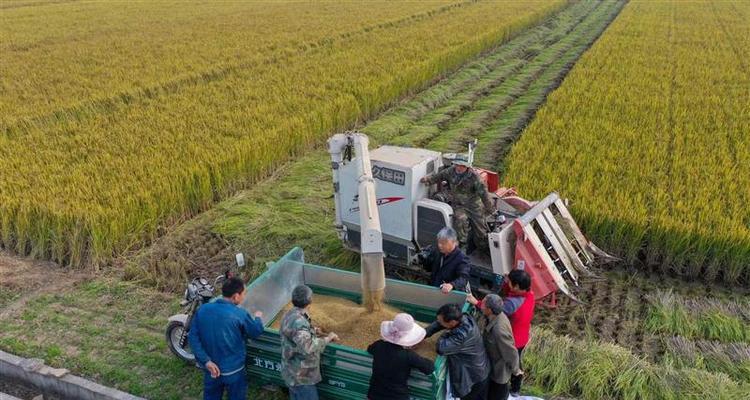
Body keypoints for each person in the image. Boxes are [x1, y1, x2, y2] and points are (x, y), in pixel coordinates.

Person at [188, 277, 264, 400]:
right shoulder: (239, 314)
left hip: (211, 369)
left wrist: (206, 361)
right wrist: (258, 318)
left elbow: (193, 337)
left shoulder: (203, 310)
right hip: (233, 370)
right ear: (235, 296)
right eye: (243, 294)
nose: (244, 297)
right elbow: (255, 332)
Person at [469, 269, 535, 397]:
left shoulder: (511, 305)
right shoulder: (529, 293)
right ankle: (516, 387)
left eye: (510, 282)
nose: (507, 283)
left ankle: (511, 384)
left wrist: (477, 302)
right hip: (523, 334)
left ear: (516, 286)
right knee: (516, 359)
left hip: (514, 338)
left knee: (507, 364)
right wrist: (507, 282)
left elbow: (494, 310)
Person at [420, 155, 495, 251]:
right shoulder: (450, 171)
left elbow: (484, 195)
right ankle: (462, 246)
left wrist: (491, 209)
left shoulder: (475, 178)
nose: (459, 167)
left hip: (474, 206)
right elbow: (439, 176)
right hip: (459, 205)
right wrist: (428, 180)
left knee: (480, 229)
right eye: (457, 165)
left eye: (462, 166)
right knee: (460, 220)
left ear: (467, 167)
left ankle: (482, 246)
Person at [280, 285, 339, 400]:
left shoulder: (289, 314)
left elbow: (294, 334)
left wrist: (313, 330)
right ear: (309, 301)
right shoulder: (299, 322)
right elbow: (308, 346)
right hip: (301, 376)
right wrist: (328, 338)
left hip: (290, 370)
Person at [425, 303, 489, 400]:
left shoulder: (462, 335)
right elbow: (439, 324)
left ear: (452, 322)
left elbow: (441, 348)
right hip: (481, 369)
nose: (439, 323)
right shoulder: (463, 317)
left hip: (473, 378)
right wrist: (423, 334)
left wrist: (445, 333)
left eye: (441, 321)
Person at [367, 313, 435, 400]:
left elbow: (370, 349)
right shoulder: (408, 355)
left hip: (374, 395)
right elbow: (429, 368)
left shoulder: (379, 345)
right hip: (397, 397)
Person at [475, 294, 519, 400]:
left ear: (489, 310)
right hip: (490, 365)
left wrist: (516, 370)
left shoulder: (499, 330)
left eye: (483, 304)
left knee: (496, 395)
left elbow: (511, 352)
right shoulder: (489, 317)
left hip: (499, 371)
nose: (481, 306)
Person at [420, 227, 471, 294]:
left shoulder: (462, 258)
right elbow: (429, 268)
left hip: (450, 295)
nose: (440, 245)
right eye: (439, 242)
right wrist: (424, 260)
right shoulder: (437, 252)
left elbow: (463, 278)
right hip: (435, 290)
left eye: (443, 243)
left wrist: (452, 285)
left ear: (453, 242)